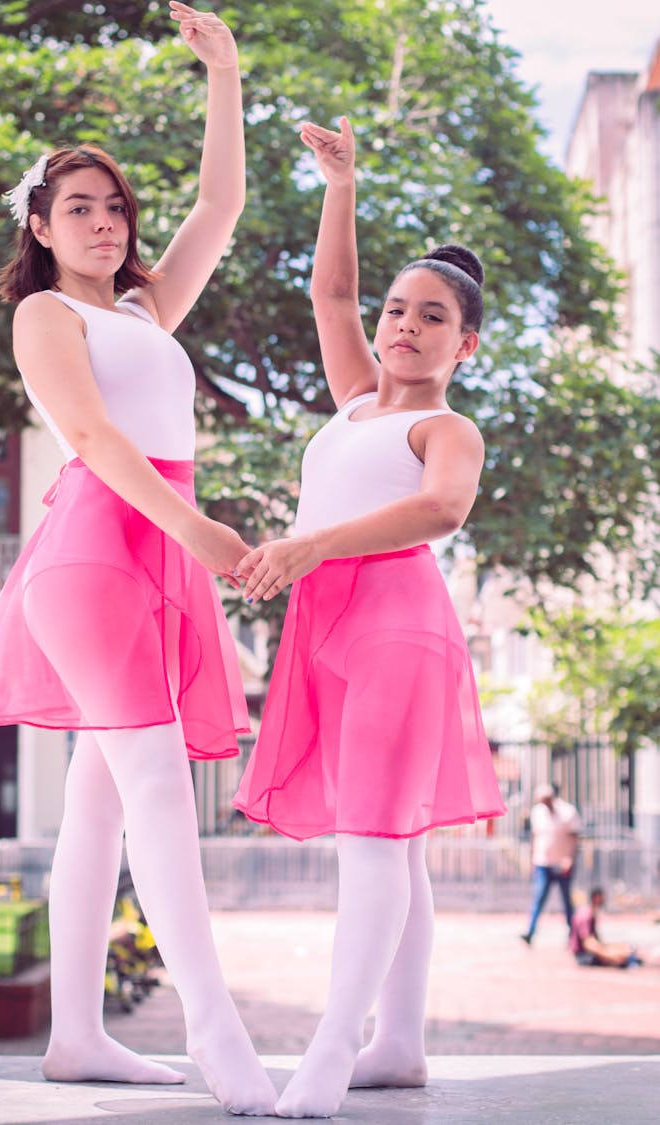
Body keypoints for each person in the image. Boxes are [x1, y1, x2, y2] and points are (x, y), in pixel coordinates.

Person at [0, 4, 277, 1115]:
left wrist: (223, 72)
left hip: (156, 546)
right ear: (38, 224)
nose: (105, 220)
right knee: (154, 786)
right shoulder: (45, 315)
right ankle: (218, 1031)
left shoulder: (146, 309)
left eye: (116, 206)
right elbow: (90, 439)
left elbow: (221, 202)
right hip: (98, 552)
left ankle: (78, 1035)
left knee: (99, 798)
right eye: (77, 206)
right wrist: (203, 536)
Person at [232, 116, 506, 1119]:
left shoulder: (448, 425)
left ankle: (330, 1057)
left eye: (432, 318)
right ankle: (399, 1044)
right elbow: (330, 292)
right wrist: (339, 185)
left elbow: (441, 509)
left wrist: (309, 546)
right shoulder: (355, 404)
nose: (403, 325)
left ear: (463, 344)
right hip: (324, 627)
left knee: (376, 842)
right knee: (393, 841)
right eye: (399, 310)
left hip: (395, 620)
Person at [520, 782, 582, 946]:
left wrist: (569, 858)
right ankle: (530, 931)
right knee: (538, 897)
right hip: (543, 862)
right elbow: (535, 837)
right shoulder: (537, 812)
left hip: (562, 863)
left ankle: (573, 934)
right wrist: (532, 859)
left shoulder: (568, 811)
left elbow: (574, 837)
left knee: (566, 901)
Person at [569, 888, 643, 968]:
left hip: (587, 953)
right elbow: (588, 943)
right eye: (602, 897)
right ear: (596, 897)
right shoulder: (586, 915)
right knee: (623, 958)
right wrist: (610, 955)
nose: (604, 900)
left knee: (625, 949)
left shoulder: (589, 912)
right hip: (584, 957)